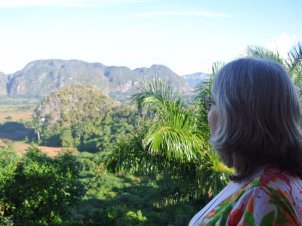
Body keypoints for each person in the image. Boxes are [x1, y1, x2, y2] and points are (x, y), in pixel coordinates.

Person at [189, 58, 302, 226]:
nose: (209, 111)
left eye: (212, 102)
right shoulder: (259, 181)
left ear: (235, 115)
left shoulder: (262, 197)